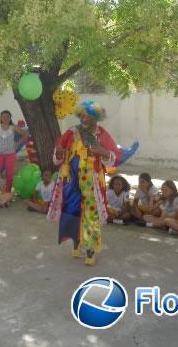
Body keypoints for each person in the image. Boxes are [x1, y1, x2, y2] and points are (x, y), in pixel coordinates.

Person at [47, 101, 122, 266]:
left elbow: (116, 157)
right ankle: (76, 243)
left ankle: (90, 249)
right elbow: (57, 152)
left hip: (91, 182)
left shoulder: (102, 135)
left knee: (91, 215)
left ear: (96, 118)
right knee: (72, 212)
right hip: (71, 180)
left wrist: (102, 151)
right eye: (82, 115)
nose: (84, 119)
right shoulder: (72, 132)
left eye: (88, 116)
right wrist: (59, 154)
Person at [0, 110, 29, 193]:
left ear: (10, 118)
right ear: (0, 117)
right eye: (3, 116)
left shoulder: (13, 127)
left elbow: (25, 134)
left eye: (7, 116)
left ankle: (7, 193)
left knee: (9, 175)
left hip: (10, 155)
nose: (5, 118)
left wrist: (18, 143)